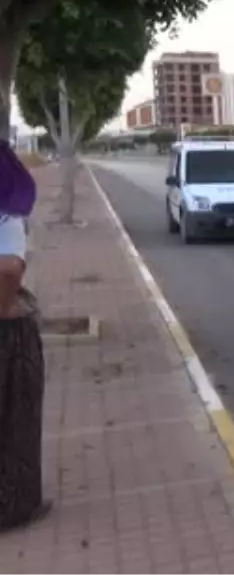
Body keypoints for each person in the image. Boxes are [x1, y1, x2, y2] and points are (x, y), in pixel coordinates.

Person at [0, 141, 51, 531]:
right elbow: (8, 268)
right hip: (8, 335)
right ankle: (14, 505)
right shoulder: (8, 208)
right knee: (14, 421)